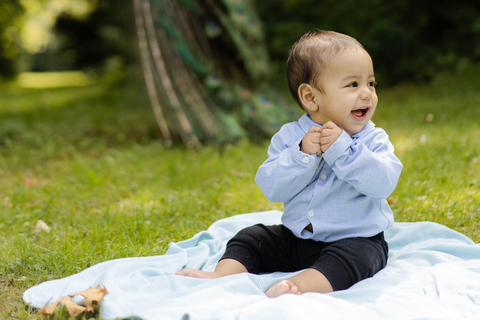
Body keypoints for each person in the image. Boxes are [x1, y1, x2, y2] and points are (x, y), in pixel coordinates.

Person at [177, 30, 403, 298]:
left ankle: (299, 286)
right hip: (297, 240)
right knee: (251, 237)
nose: (367, 94)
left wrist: (344, 150)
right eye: (353, 85)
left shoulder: (372, 138)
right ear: (310, 98)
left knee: (354, 259)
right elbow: (272, 187)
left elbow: (384, 183)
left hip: (355, 240)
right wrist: (302, 155)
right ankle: (222, 275)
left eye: (371, 83)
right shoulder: (291, 137)